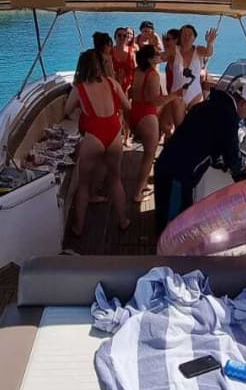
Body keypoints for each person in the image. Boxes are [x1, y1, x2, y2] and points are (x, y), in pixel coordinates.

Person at [154, 78, 246, 237]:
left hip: (170, 166)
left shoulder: (212, 104)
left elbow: (211, 145)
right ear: (245, 103)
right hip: (177, 175)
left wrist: (222, 162)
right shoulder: (228, 117)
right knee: (173, 227)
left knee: (170, 217)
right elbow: (233, 158)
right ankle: (166, 258)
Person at [64, 49, 131, 236]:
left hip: (93, 136)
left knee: (83, 185)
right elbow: (127, 106)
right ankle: (123, 220)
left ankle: (78, 227)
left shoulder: (79, 88)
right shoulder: (112, 82)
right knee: (115, 179)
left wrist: (81, 112)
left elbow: (67, 110)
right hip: (113, 133)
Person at [129, 44, 189, 203]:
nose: (159, 55)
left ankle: (142, 186)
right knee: (149, 155)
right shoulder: (153, 75)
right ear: (150, 59)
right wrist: (175, 95)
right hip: (146, 116)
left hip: (134, 111)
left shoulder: (137, 71)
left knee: (147, 154)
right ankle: (137, 193)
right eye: (156, 54)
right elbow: (155, 100)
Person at [110, 26, 137, 94]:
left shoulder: (131, 51)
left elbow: (136, 70)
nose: (122, 37)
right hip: (113, 85)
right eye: (119, 35)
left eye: (124, 36)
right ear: (115, 37)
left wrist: (133, 85)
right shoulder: (109, 52)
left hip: (128, 86)